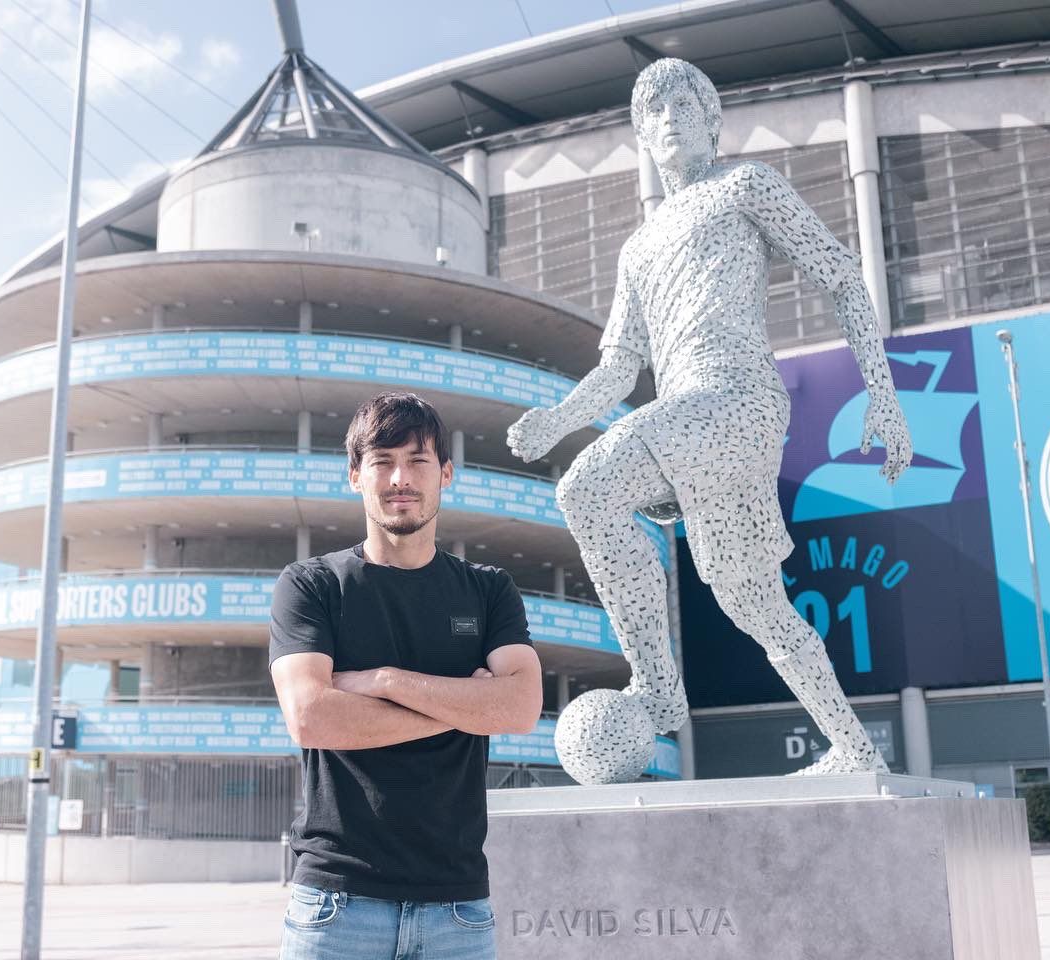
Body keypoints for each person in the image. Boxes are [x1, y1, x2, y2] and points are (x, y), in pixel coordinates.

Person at [507, 58, 912, 780]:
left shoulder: (743, 187)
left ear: (713, 121)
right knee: (753, 604)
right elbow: (618, 368)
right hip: (687, 419)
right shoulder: (637, 248)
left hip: (739, 402)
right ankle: (856, 750)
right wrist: (558, 421)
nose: (673, 121)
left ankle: (657, 688)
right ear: (642, 134)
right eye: (657, 113)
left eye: (687, 108)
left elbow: (843, 276)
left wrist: (883, 396)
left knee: (586, 488)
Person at [270, 391, 543, 959]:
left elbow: (519, 708)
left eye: (418, 461)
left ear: (445, 473)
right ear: (355, 475)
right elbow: (311, 717)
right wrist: (467, 706)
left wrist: (387, 680)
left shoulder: (489, 589)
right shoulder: (312, 586)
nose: (401, 478)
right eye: (382, 461)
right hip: (336, 905)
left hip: (458, 912)